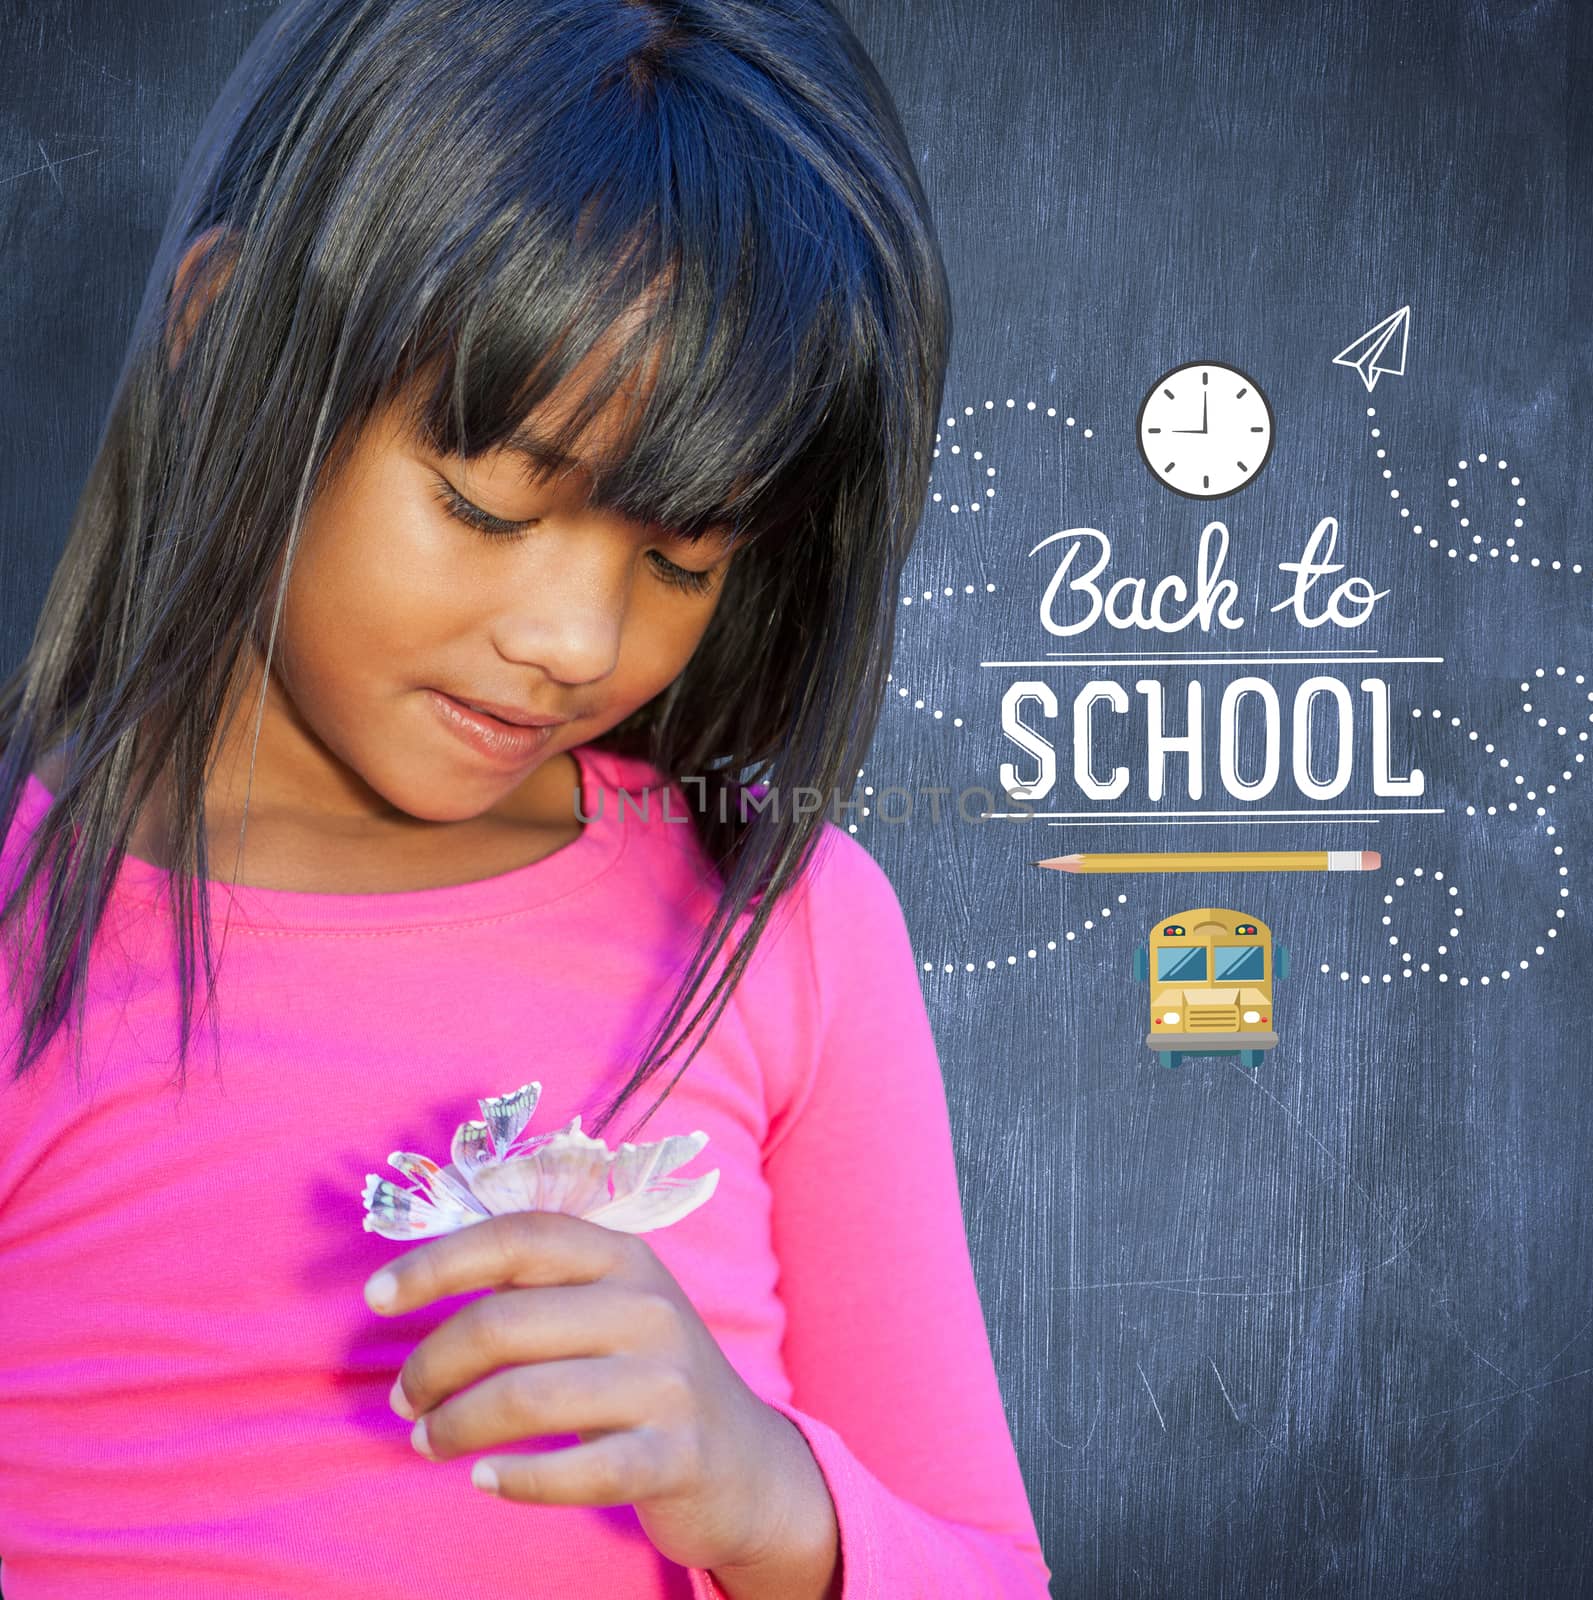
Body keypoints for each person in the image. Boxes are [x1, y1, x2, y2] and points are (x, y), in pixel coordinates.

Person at [0, 1, 1053, 1595]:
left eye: (681, 557)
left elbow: (990, 1566)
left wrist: (779, 1507)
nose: (573, 641)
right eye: (488, 509)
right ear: (224, 343)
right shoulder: (31, 925)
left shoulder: (785, 929)